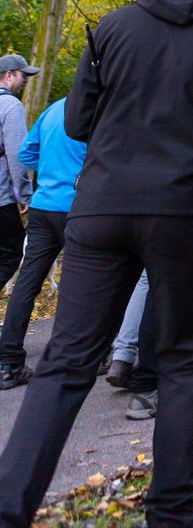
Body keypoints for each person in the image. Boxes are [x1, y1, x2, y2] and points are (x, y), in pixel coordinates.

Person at [0, 0, 193, 528]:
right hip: (184, 210)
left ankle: (9, 506)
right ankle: (171, 512)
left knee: (68, 360)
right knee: (181, 361)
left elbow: (76, 122)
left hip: (102, 207)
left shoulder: (111, 28)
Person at [0, 96, 86, 389]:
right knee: (81, 284)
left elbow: (26, 153)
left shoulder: (54, 109)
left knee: (27, 282)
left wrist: (51, 171)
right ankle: (73, 359)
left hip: (43, 205)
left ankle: (8, 363)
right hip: (78, 207)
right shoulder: (100, 110)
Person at [0, 55, 37, 293]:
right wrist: (25, 194)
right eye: (23, 75)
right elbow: (17, 156)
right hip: (0, 198)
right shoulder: (11, 105)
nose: (24, 81)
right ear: (9, 75)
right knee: (12, 252)